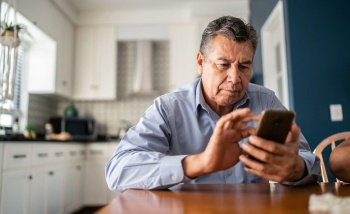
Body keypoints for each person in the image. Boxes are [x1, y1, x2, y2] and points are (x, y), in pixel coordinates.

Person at [106, 16, 321, 192]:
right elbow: (118, 170)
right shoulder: (168, 108)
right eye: (223, 64)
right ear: (201, 62)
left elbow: (310, 163)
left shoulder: (267, 101)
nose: (235, 78)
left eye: (244, 66)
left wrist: (295, 168)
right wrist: (200, 163)